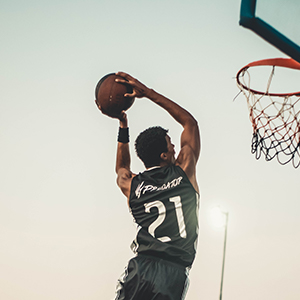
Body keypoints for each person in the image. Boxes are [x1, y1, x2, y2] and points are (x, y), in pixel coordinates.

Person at [114, 72, 200, 300]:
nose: (175, 147)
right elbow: (189, 122)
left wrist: (123, 126)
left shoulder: (133, 184)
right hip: (172, 272)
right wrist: (148, 93)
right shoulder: (183, 171)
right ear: (164, 155)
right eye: (171, 145)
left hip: (139, 267)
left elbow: (121, 168)